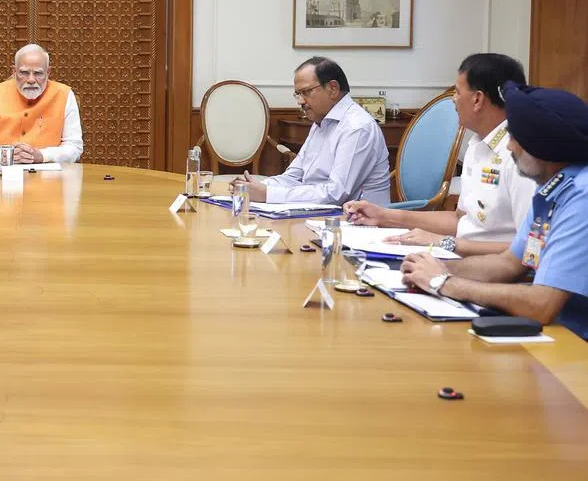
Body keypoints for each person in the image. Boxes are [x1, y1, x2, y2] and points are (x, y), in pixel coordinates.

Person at [401, 82, 588, 340]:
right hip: (558, 334)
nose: (509, 147)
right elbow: (508, 263)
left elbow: (542, 304)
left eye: (516, 138)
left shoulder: (581, 196)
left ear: (542, 145)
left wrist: (446, 283)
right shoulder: (552, 188)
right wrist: (434, 268)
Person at [345, 53, 534, 256]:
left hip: (491, 268)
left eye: (458, 92)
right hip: (461, 256)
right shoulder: (477, 145)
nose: (453, 99)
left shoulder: (522, 155)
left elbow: (530, 249)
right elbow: (460, 220)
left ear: (477, 99)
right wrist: (383, 216)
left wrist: (445, 243)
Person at [237, 56, 389, 205]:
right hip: (323, 213)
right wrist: (254, 186)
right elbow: (294, 176)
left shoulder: (357, 127)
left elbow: (335, 194)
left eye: (306, 92)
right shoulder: (321, 122)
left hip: (357, 218)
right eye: (298, 94)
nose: (300, 101)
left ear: (333, 89)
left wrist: (267, 194)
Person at [0, 44, 83, 164]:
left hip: (49, 173)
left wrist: (42, 156)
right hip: (1, 173)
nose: (31, 80)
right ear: (14, 71)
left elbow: (74, 147)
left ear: (48, 72)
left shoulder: (64, 95)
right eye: (24, 73)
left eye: (38, 73)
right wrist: (6, 154)